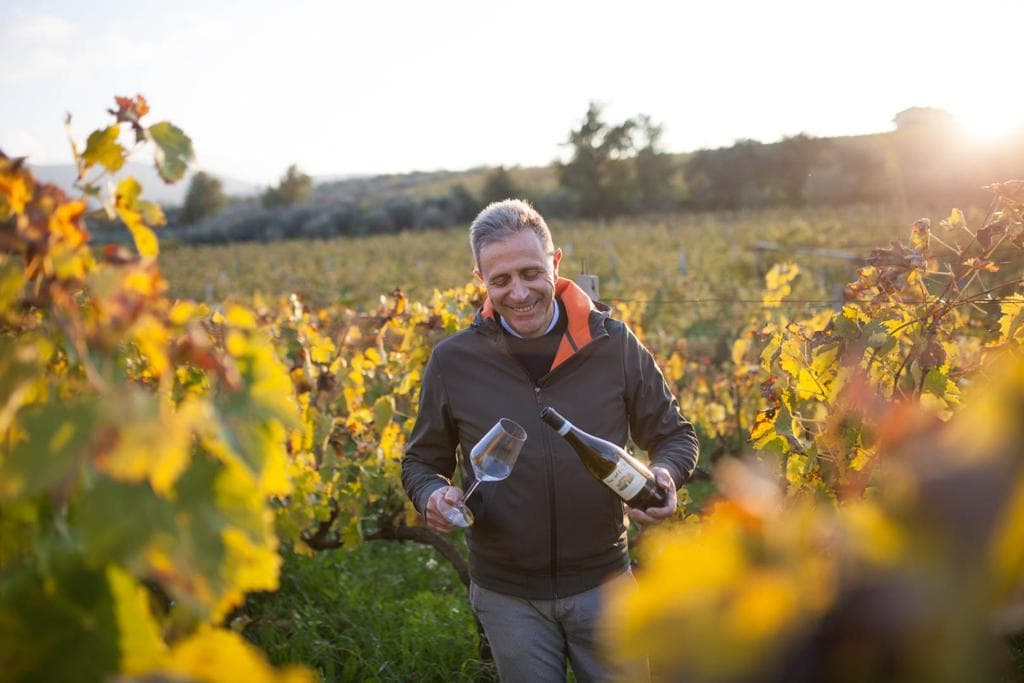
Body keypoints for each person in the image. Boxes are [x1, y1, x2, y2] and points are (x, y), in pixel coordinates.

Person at [401, 199, 699, 682]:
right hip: (506, 595)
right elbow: (421, 461)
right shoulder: (453, 361)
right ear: (480, 280)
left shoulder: (615, 345)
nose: (518, 293)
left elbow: (674, 434)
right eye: (500, 280)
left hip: (605, 583)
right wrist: (431, 494)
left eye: (530, 272)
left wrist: (665, 473)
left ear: (555, 263)